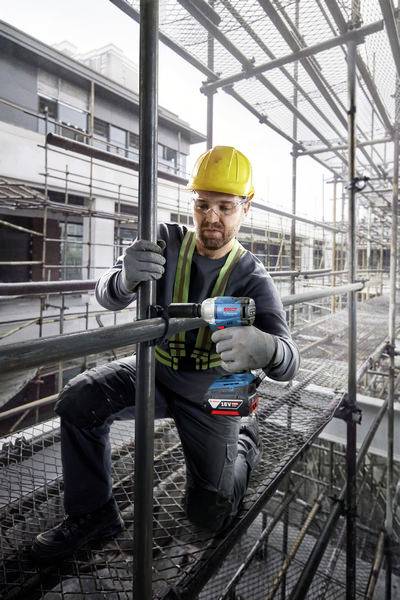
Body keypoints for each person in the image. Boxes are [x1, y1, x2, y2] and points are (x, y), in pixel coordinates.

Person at [32, 146, 299, 561]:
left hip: (215, 392)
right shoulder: (164, 242)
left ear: (246, 208)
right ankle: (94, 515)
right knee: (79, 398)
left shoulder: (253, 277)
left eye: (226, 207)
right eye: (202, 204)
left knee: (210, 511)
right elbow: (104, 294)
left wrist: (266, 348)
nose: (212, 217)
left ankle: (245, 439)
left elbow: (289, 360)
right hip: (155, 370)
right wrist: (122, 279)